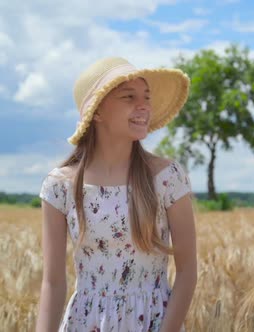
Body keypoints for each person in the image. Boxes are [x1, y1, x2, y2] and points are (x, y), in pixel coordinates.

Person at [36, 57, 197, 332]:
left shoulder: (166, 177)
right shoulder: (60, 186)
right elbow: (53, 281)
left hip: (154, 322)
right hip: (85, 323)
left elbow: (187, 272)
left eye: (146, 96)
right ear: (97, 112)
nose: (144, 105)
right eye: (129, 97)